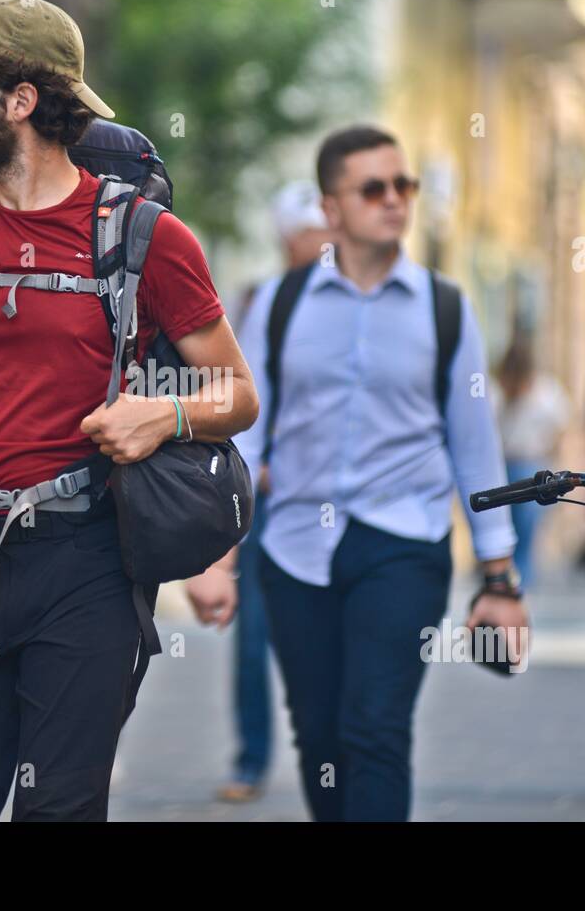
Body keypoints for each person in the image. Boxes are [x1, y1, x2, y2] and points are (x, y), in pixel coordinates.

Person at [0, 0, 257, 821]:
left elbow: (236, 392)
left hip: (86, 563)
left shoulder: (145, 237)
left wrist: (160, 415)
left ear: (21, 101)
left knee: (60, 809)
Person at [209, 124, 525, 821]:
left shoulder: (445, 309)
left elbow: (475, 443)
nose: (394, 200)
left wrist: (500, 576)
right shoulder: (282, 304)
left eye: (403, 185)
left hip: (403, 545)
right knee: (318, 735)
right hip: (294, 548)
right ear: (331, 208)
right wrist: (219, 556)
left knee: (375, 729)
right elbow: (248, 430)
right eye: (373, 188)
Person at [195, 181, 330, 804]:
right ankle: (252, 760)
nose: (319, 240)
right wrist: (247, 484)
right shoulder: (268, 303)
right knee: (254, 644)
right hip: (275, 499)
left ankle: (337, 756)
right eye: (307, 231)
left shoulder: (368, 301)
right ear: (287, 236)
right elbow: (252, 402)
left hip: (344, 504)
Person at [491, 333, 569, 587]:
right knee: (517, 527)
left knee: (522, 527)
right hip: (512, 463)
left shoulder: (544, 392)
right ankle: (515, 577)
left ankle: (519, 579)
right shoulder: (498, 395)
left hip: (526, 463)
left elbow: (560, 427)